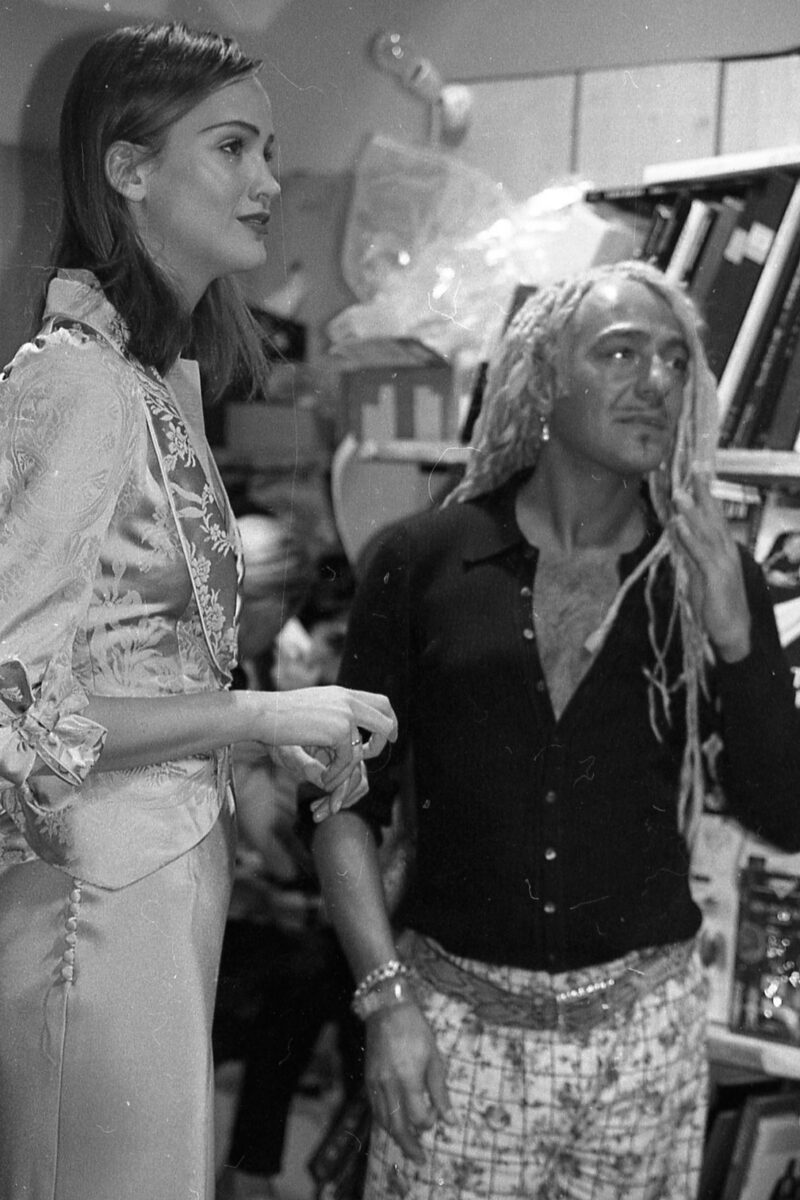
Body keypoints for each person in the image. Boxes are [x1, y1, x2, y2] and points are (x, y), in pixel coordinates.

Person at [0, 22, 396, 1200]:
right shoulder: (78, 383)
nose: (267, 180)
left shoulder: (152, 379)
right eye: (231, 148)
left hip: (160, 872)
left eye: (267, 149)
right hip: (94, 893)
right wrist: (258, 719)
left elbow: (140, 654)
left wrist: (269, 739)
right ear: (127, 169)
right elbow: (19, 708)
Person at [309, 259, 800, 1200]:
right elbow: (342, 806)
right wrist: (385, 999)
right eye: (619, 353)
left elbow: (782, 812)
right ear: (542, 378)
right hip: (453, 1035)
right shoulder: (423, 561)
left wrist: (738, 637)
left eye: (674, 360)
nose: (655, 381)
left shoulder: (706, 572)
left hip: (642, 1049)